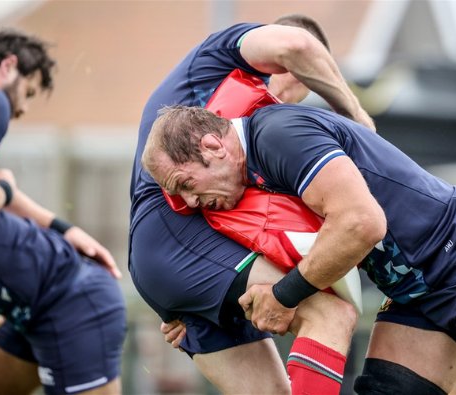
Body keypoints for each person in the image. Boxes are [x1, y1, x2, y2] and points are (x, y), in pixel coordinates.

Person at [142, 103, 456, 395]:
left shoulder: (278, 136)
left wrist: (282, 297)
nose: (191, 203)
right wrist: (198, 315)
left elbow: (362, 223)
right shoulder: (246, 178)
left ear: (212, 145)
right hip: (421, 292)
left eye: (185, 185)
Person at [129, 14, 373, 394]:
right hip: (178, 245)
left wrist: (186, 299)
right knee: (330, 315)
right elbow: (299, 45)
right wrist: (356, 116)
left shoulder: (258, 130)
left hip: (184, 259)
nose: (288, 102)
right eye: (301, 81)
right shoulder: (219, 57)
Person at [0, 29, 126, 395]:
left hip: (71, 296)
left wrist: (61, 226)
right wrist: (2, 189)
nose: (20, 110)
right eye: (28, 93)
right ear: (9, 65)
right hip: (36, 302)